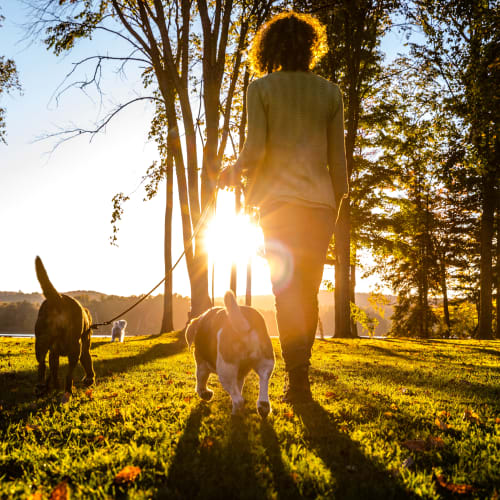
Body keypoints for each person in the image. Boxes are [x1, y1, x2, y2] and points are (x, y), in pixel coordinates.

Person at [219, 11, 348, 403]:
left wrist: (233, 170)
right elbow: (339, 165)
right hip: (320, 205)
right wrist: (335, 203)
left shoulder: (261, 90)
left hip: (278, 205)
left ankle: (299, 379)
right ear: (311, 48)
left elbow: (255, 151)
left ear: (269, 49)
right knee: (306, 291)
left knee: (285, 289)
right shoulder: (330, 93)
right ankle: (299, 376)